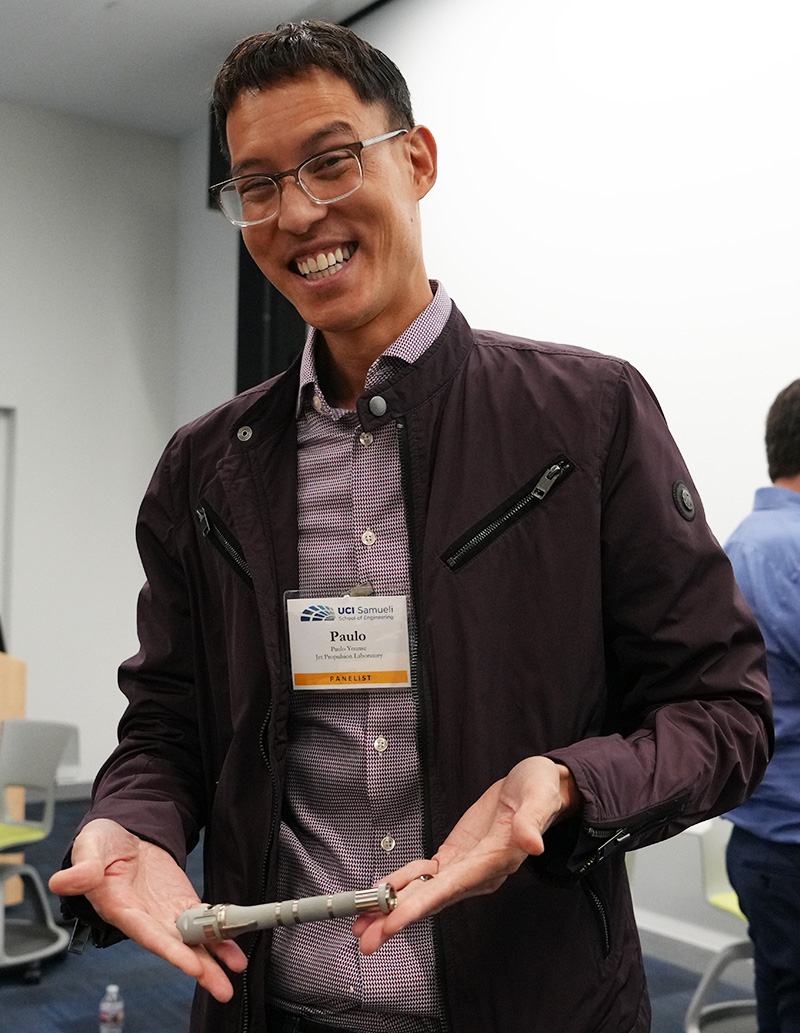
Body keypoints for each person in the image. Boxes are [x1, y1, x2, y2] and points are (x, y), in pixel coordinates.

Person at [50, 21, 772, 1033]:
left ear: (415, 159)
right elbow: (168, 719)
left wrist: (562, 784)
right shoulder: (203, 467)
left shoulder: (586, 415)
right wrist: (132, 820)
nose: (297, 212)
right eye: (256, 185)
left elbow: (721, 712)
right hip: (267, 1001)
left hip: (529, 1001)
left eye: (331, 162)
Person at [724, 379, 800, 1033]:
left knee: (778, 995)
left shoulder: (741, 541)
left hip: (760, 835)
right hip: (795, 840)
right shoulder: (793, 550)